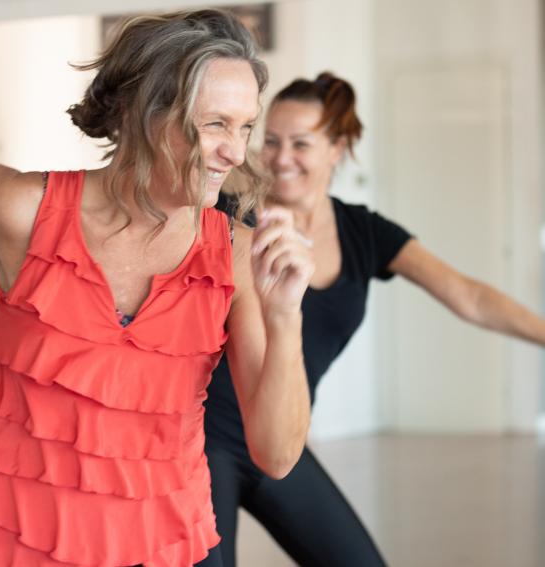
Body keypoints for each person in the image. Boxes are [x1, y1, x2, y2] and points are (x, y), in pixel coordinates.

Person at [0, 10, 314, 567]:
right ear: (141, 113)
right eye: (214, 125)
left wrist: (285, 316)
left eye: (245, 126)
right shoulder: (20, 209)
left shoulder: (235, 255)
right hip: (10, 538)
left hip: (163, 545)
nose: (235, 152)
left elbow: (276, 456)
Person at [205, 72, 545, 567]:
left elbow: (469, 296)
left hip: (281, 439)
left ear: (337, 148)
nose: (280, 158)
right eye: (271, 140)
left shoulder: (363, 233)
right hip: (203, 439)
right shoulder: (228, 212)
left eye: (301, 143)